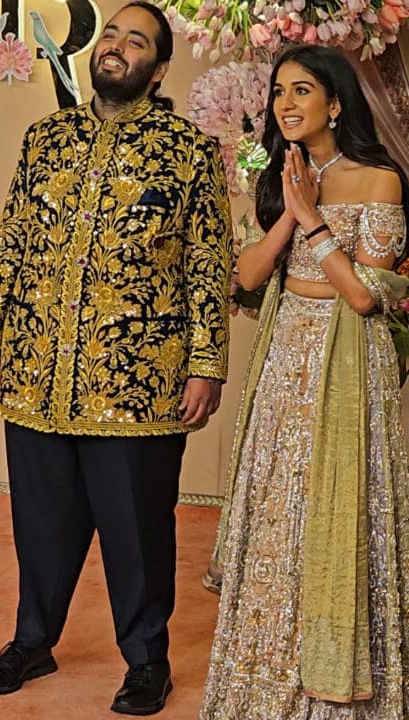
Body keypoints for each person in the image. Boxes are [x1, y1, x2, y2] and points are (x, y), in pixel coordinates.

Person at [0, 2, 232, 715]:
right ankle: (32, 640)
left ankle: (147, 660)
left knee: (138, 528)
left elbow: (209, 262)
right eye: (111, 34)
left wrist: (206, 361)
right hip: (37, 369)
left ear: (159, 65)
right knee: (41, 520)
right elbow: (12, 242)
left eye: (136, 39)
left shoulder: (188, 150)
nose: (116, 46)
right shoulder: (45, 138)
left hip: (140, 379)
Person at [200, 45, 409, 719]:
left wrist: (314, 219)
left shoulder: (380, 180)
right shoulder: (286, 174)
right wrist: (292, 208)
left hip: (346, 363)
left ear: (337, 103)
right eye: (279, 92)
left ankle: (338, 688)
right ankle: (267, 676)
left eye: (302, 91)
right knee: (280, 510)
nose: (285, 105)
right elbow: (250, 277)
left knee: (335, 507)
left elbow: (364, 297)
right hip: (285, 357)